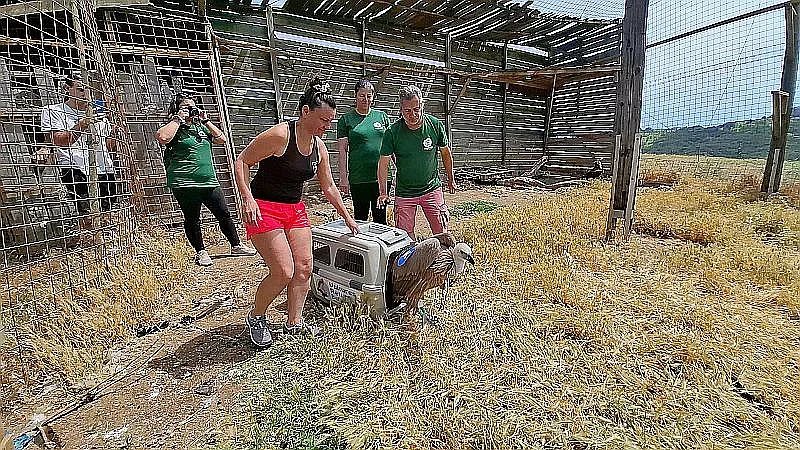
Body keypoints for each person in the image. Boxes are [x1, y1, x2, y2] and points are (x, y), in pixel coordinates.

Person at [234, 78, 359, 348]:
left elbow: (328, 186)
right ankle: (256, 316)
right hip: (264, 207)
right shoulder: (280, 135)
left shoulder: (319, 147)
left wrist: (347, 217)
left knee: (304, 267)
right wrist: (247, 198)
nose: (327, 126)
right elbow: (242, 161)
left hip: (294, 210)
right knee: (283, 270)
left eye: (330, 121)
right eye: (324, 120)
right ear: (305, 112)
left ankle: (294, 323)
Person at [154, 92, 256, 266]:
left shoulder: (200, 127)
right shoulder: (175, 128)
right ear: (177, 109)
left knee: (224, 213)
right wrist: (178, 118)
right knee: (192, 218)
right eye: (186, 107)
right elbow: (162, 137)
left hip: (208, 181)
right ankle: (201, 252)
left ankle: (236, 245)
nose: (190, 110)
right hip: (184, 183)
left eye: (192, 107)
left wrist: (205, 120)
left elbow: (222, 139)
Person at [377, 85, 456, 241]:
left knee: (441, 231)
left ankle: (443, 261)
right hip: (405, 192)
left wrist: (451, 178)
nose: (412, 114)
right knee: (404, 236)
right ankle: (411, 262)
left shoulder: (434, 125)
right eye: (407, 111)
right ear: (400, 109)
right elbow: (383, 164)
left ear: (422, 106)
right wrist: (383, 192)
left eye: (416, 109)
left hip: (432, 188)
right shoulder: (392, 132)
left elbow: (446, 153)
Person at [40, 73, 118, 222]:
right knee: (87, 218)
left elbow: (109, 146)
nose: (86, 94)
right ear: (67, 88)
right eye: (81, 89)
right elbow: (57, 140)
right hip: (76, 169)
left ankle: (107, 243)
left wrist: (115, 130)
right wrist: (82, 124)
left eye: (89, 90)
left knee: (108, 216)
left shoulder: (99, 112)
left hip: (104, 168)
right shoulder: (53, 111)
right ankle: (90, 243)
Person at [336, 79, 392, 224]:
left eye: (369, 96)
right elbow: (342, 150)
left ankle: (379, 247)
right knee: (360, 218)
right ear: (355, 96)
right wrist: (343, 178)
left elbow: (391, 147)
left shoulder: (382, 117)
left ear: (373, 97)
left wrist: (402, 171)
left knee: (380, 219)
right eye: (362, 95)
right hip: (359, 178)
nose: (365, 99)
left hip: (382, 178)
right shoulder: (346, 120)